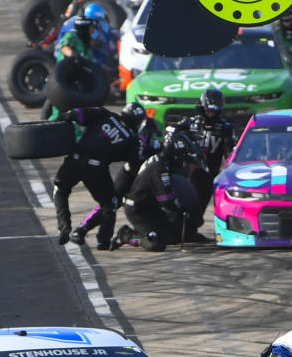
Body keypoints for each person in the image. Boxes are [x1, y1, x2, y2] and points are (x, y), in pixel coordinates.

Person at [52, 106, 139, 249]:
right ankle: (103, 241)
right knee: (110, 205)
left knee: (60, 190)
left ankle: (63, 227)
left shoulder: (104, 114)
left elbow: (77, 113)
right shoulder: (132, 140)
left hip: (75, 160)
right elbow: (134, 164)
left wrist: (62, 119)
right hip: (96, 169)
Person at [109, 131, 204, 252]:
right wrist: (181, 208)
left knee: (173, 236)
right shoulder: (159, 168)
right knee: (156, 244)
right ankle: (127, 235)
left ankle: (148, 232)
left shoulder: (163, 162)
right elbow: (166, 200)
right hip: (137, 209)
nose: (182, 159)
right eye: (181, 155)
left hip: (150, 206)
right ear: (174, 153)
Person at [173, 89, 235, 230]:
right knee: (183, 203)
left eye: (214, 111)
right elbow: (170, 135)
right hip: (188, 172)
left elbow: (231, 154)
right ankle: (178, 229)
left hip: (209, 174)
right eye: (208, 111)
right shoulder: (189, 123)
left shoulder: (226, 128)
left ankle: (190, 231)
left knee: (199, 209)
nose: (211, 114)